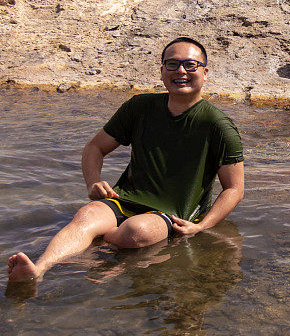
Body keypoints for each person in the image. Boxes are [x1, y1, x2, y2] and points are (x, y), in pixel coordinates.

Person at [6, 37, 245, 288]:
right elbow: (94, 147)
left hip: (172, 214)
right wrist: (93, 183)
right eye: (172, 64)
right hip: (124, 199)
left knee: (136, 232)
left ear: (205, 72)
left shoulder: (218, 125)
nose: (181, 71)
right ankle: (38, 270)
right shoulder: (139, 107)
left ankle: (102, 252)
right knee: (86, 215)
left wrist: (200, 227)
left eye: (190, 65)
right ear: (162, 71)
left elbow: (234, 188)